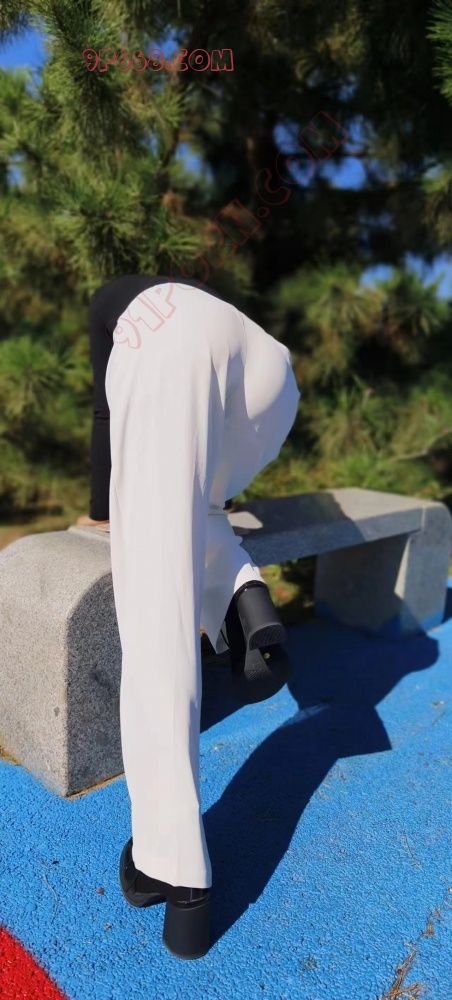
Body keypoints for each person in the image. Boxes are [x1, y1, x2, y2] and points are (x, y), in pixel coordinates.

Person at [80, 274, 301, 959]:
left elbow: (106, 419)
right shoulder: (196, 295)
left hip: (171, 356)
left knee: (154, 613)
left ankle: (173, 870)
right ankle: (240, 588)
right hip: (272, 378)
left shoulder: (114, 311)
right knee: (197, 504)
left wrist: (102, 513)